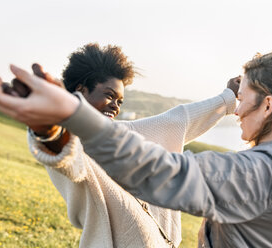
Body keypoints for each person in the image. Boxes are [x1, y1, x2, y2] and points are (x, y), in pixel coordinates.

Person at [0, 49, 272, 247]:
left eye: (244, 100)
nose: (238, 110)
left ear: (268, 106)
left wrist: (71, 112)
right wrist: (54, 128)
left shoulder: (268, 171)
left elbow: (167, 171)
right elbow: (72, 157)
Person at [19, 43, 239, 247]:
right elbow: (65, 154)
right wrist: (47, 127)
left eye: (120, 101)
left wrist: (227, 96)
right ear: (81, 90)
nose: (115, 106)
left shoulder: (119, 133)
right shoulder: (72, 140)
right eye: (109, 95)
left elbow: (177, 121)